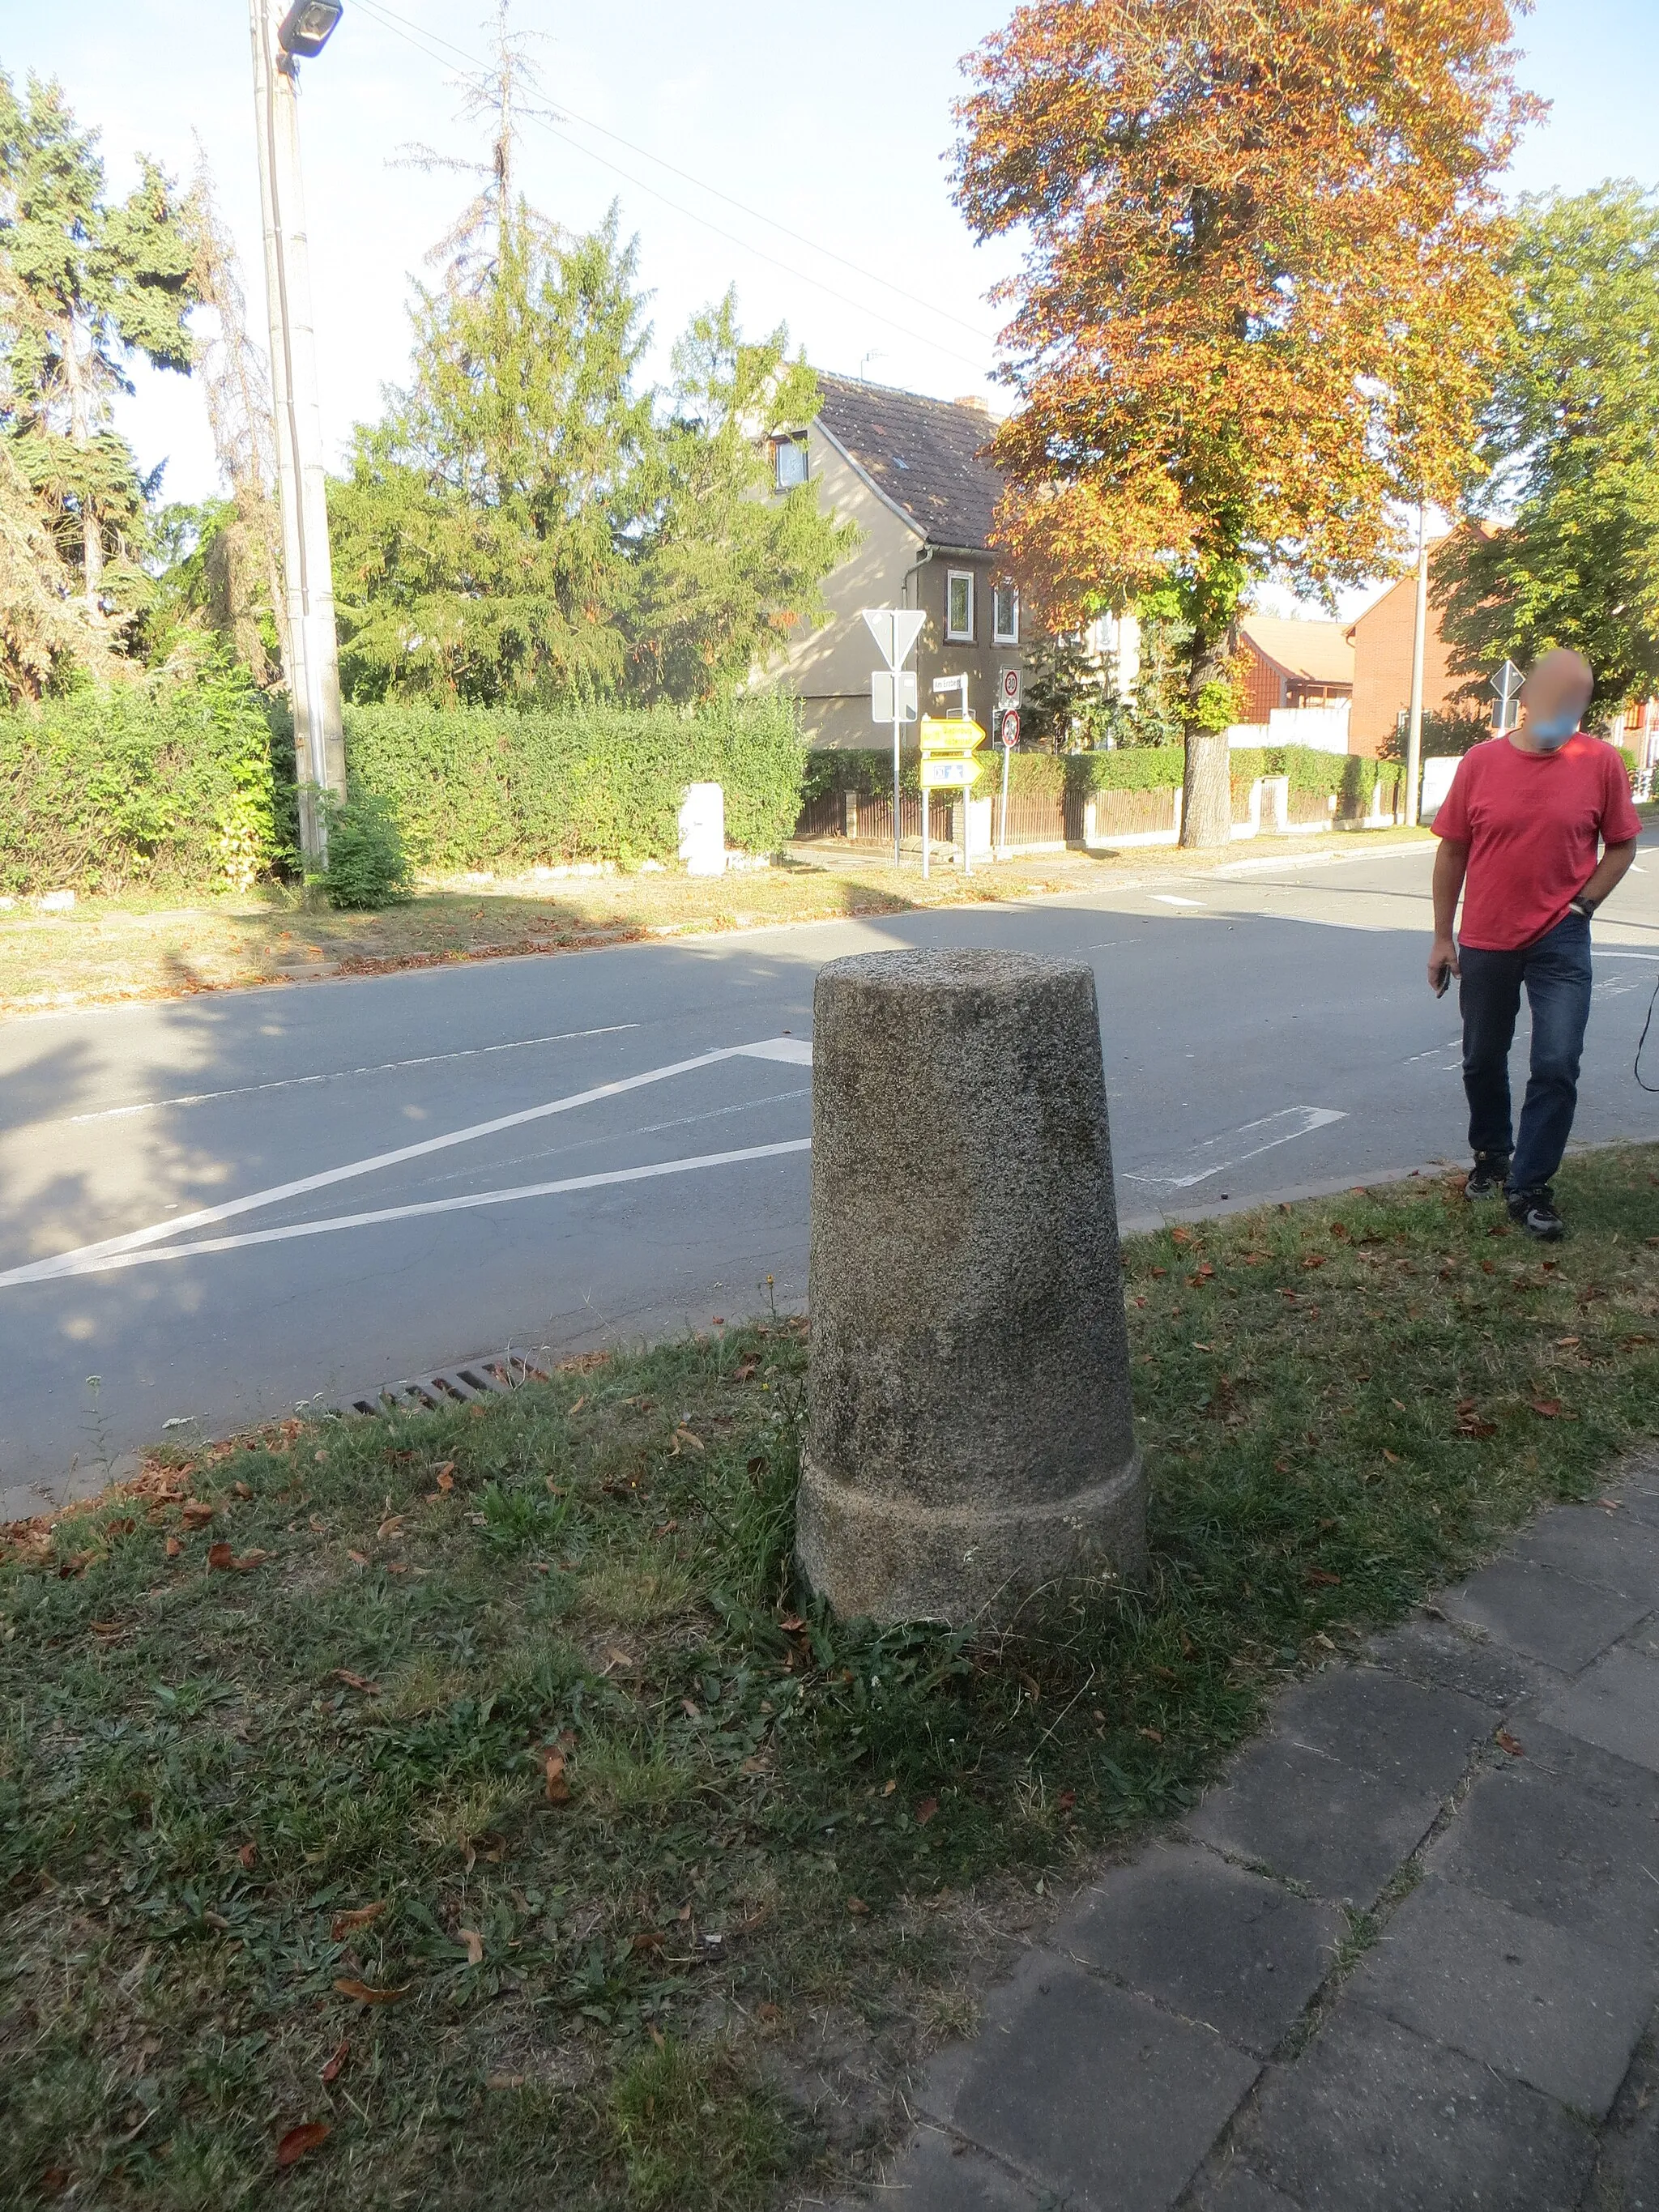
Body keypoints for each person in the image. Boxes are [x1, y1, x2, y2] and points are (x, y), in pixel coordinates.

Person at [1427, 648, 1641, 1238]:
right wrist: (1443, 938)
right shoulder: (1480, 762)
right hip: (1488, 937)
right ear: (1524, 700)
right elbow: (1452, 851)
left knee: (1556, 1061)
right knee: (1481, 1059)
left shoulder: (1600, 762)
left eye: (1574, 707)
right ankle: (1494, 1155)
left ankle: (1530, 1186)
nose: (1561, 716)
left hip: (1561, 939)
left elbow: (1622, 844)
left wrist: (1584, 904)